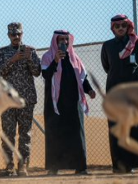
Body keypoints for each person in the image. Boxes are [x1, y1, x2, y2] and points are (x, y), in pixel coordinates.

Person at [41, 30, 97, 175]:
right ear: (55, 41)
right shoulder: (48, 57)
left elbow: (82, 79)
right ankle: (53, 168)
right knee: (55, 134)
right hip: (55, 103)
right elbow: (46, 75)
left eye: (66, 40)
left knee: (76, 134)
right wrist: (56, 61)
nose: (64, 43)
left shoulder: (75, 58)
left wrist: (89, 90)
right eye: (61, 40)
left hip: (74, 103)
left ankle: (80, 167)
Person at [101, 14, 138, 174]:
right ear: (112, 28)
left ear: (128, 26)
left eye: (123, 25)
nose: (121, 28)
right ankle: (121, 166)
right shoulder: (107, 46)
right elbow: (107, 66)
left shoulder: (136, 44)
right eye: (117, 26)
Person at [0, 22, 41, 177]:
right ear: (8, 35)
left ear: (22, 34)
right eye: (13, 34)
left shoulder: (31, 50)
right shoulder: (2, 52)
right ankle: (9, 167)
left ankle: (23, 166)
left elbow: (37, 72)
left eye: (18, 34)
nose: (16, 37)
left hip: (26, 99)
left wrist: (28, 58)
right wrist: (13, 59)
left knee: (25, 134)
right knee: (8, 134)